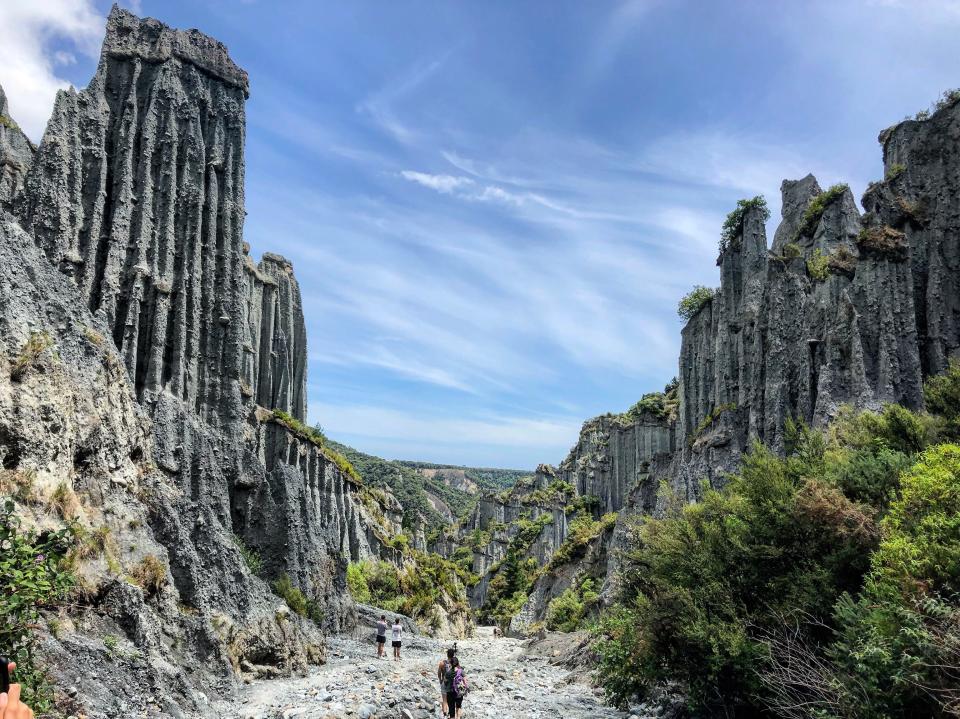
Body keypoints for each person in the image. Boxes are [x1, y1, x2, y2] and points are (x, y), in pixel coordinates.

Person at [437, 647, 455, 715]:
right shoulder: (455, 663)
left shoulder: (442, 663)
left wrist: (440, 680)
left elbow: (439, 674)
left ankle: (445, 712)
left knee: (444, 700)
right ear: (453, 655)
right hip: (452, 684)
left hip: (444, 683)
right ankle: (451, 713)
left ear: (447, 654)